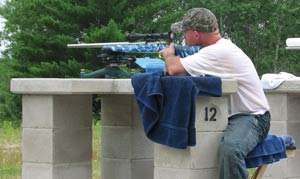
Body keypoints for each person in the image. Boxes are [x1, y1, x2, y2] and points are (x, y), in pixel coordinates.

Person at [159, 7, 271, 179]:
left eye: (185, 31)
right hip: (233, 116)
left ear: (196, 34)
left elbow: (174, 69)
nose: (183, 36)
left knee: (231, 150)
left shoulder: (217, 52)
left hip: (253, 116)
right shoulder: (217, 48)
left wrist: (168, 54)